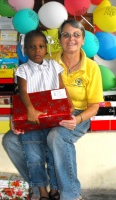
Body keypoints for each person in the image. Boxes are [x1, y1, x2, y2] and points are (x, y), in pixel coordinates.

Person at [2, 19, 104, 200]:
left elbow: (94, 106)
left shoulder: (91, 67)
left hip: (79, 114)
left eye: (76, 35)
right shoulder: (49, 61)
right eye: (66, 34)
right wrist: (18, 117)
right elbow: (27, 92)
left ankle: (70, 194)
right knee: (10, 139)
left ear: (83, 39)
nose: (71, 39)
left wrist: (77, 119)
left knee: (56, 136)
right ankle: (40, 185)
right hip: (46, 115)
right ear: (59, 39)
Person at [9, 29, 73, 200]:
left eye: (41, 46)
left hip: (53, 121)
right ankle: (42, 191)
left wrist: (68, 104)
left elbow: (60, 88)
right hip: (32, 123)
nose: (37, 51)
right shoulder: (22, 69)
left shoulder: (53, 65)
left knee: (53, 157)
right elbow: (22, 91)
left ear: (46, 48)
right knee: (34, 158)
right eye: (32, 47)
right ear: (25, 50)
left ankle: (54, 188)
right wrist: (30, 109)